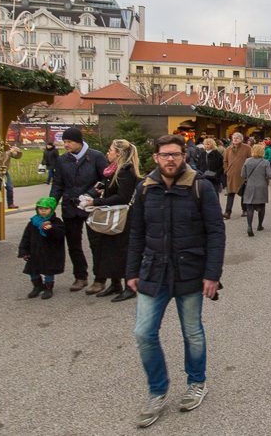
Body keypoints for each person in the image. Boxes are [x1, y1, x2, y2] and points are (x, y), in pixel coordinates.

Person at [126, 134, 225, 429]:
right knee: (144, 333)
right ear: (155, 157)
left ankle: (197, 382)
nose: (171, 159)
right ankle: (158, 391)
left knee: (192, 332)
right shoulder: (145, 188)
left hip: (190, 270)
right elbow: (136, 233)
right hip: (153, 271)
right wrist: (131, 271)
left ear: (185, 155)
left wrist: (212, 275)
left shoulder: (200, 187)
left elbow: (216, 232)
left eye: (176, 154)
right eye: (165, 155)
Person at [50, 127, 108, 290]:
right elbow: (58, 184)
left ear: (79, 142)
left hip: (90, 206)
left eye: (69, 142)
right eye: (64, 142)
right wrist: (51, 202)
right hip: (70, 206)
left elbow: (104, 179)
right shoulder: (62, 160)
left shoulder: (96, 157)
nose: (66, 145)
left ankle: (100, 278)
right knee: (73, 244)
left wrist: (89, 195)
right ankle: (80, 276)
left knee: (95, 243)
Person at [83, 139, 141, 301]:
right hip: (113, 215)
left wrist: (96, 202)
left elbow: (123, 197)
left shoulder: (125, 171)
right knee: (111, 251)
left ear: (119, 154)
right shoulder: (113, 170)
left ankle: (130, 287)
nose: (108, 153)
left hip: (123, 217)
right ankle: (115, 284)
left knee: (122, 252)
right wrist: (100, 189)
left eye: (110, 150)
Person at [19, 196, 66, 299]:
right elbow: (26, 238)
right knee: (33, 270)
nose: (43, 211)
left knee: (48, 270)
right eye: (40, 209)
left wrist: (51, 229)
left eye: (46, 209)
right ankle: (37, 286)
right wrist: (24, 251)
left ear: (52, 209)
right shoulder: (33, 222)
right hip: (34, 252)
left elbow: (60, 234)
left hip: (49, 252)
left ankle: (48, 288)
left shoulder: (56, 222)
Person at [241, 143, 271, 237]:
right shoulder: (265, 162)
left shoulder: (247, 161)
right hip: (261, 186)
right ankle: (259, 225)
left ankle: (249, 226)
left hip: (250, 186)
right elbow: (270, 175)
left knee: (249, 207)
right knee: (261, 206)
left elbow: (243, 175)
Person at [221, 132, 250, 219]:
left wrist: (248, 171)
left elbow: (250, 160)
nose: (235, 139)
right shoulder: (228, 149)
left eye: (237, 138)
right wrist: (226, 170)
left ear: (241, 139)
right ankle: (227, 212)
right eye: (234, 138)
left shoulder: (247, 148)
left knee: (244, 193)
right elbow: (225, 161)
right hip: (231, 175)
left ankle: (244, 210)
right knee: (230, 193)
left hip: (243, 175)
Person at [0, 144, 23, 209]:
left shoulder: (8, 152)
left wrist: (18, 151)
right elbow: (0, 160)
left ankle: (10, 204)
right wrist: (8, 153)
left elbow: (17, 156)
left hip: (5, 172)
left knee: (9, 187)